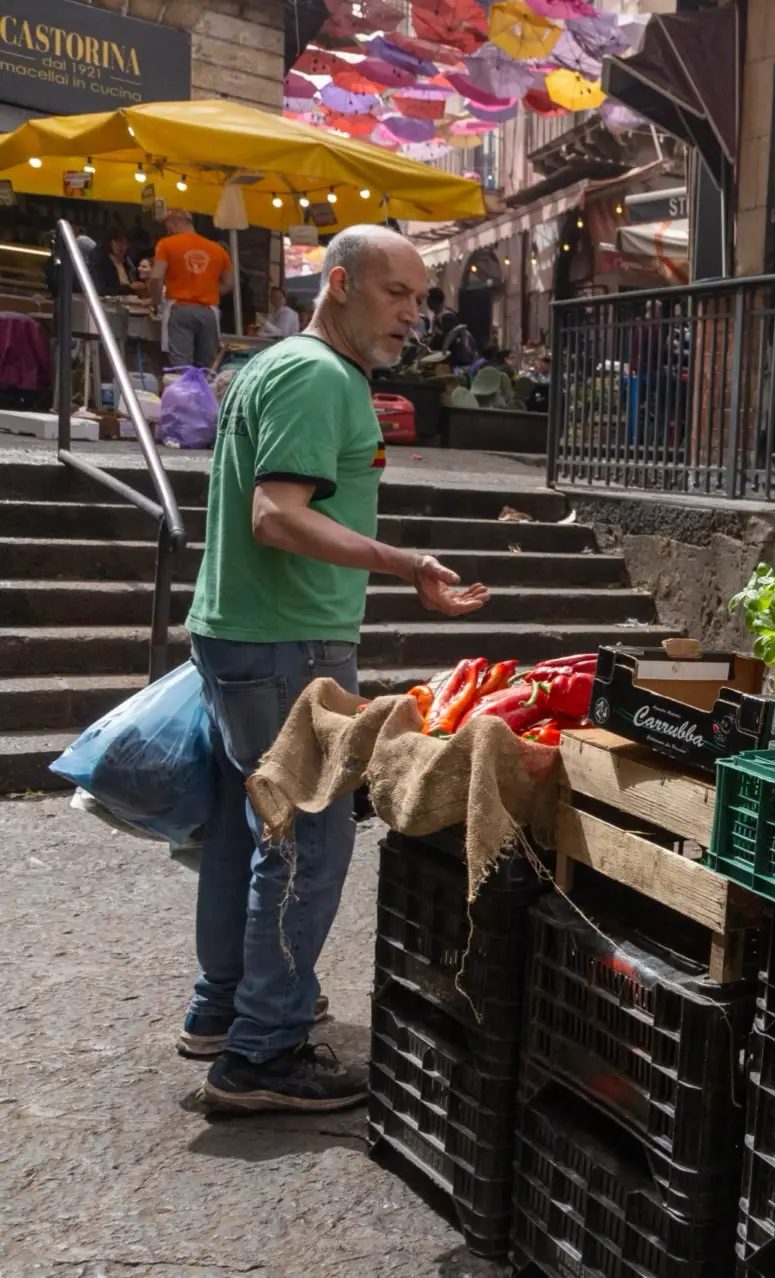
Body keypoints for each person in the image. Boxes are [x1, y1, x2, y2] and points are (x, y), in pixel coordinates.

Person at [182, 223, 489, 1112]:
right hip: (286, 646)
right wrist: (406, 564)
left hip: (251, 634)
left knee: (251, 828)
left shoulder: (281, 363)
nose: (412, 315)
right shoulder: (319, 376)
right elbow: (275, 516)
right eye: (397, 294)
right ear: (343, 283)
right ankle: (263, 1055)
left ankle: (224, 1011)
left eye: (421, 299)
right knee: (307, 838)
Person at [151, 209, 232, 369]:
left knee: (181, 366)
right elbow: (229, 283)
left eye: (168, 227)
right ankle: (203, 394)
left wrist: (155, 301)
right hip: (208, 311)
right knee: (207, 367)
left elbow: (156, 277)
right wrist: (208, 291)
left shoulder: (166, 245)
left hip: (179, 308)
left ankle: (183, 394)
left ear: (173, 224)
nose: (168, 231)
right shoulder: (218, 250)